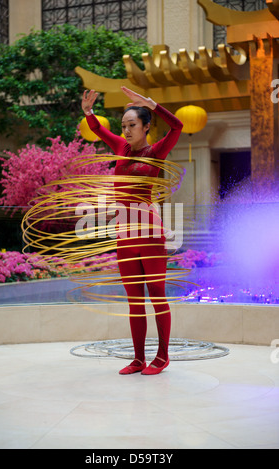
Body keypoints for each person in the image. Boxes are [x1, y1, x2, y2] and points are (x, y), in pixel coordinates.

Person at [81, 86, 183, 375]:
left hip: (150, 234)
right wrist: (88, 112)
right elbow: (99, 131)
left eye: (132, 125)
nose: (125, 131)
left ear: (146, 126)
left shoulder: (155, 151)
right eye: (124, 126)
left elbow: (178, 126)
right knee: (134, 300)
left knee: (157, 296)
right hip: (125, 235)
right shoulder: (121, 149)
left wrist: (154, 104)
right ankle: (138, 358)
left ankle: (162, 357)